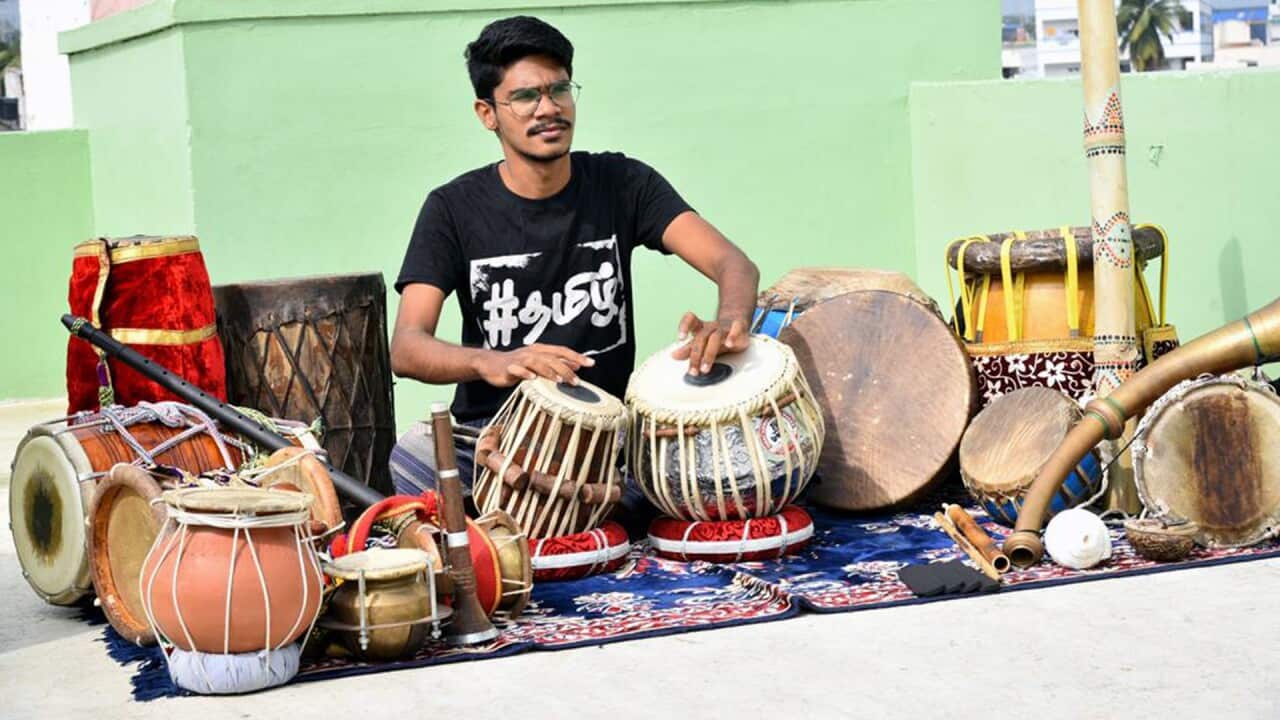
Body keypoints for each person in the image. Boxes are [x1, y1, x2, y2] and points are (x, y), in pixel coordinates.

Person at [388, 16, 759, 534]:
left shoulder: (621, 182)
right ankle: (556, 523)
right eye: (524, 97)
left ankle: (544, 525)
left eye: (559, 88)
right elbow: (406, 346)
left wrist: (731, 322)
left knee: (705, 469)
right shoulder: (452, 208)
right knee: (413, 459)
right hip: (494, 438)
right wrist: (494, 361)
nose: (548, 108)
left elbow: (732, 262)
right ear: (487, 114)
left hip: (608, 445)